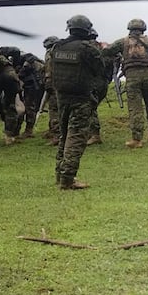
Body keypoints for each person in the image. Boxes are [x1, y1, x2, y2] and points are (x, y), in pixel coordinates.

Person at [50, 15, 105, 190]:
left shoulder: (57, 46)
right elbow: (100, 69)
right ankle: (68, 179)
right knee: (77, 136)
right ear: (87, 30)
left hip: (61, 96)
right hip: (81, 98)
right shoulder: (88, 49)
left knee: (64, 135)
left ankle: (60, 174)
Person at [105, 19, 148, 147]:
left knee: (135, 107)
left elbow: (107, 52)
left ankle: (137, 139)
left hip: (132, 77)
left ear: (129, 29)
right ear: (143, 29)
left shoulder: (122, 42)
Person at [16, 52, 45, 138]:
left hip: (32, 86)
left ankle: (29, 130)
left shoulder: (26, 63)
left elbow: (22, 73)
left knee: (29, 107)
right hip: (32, 86)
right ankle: (23, 130)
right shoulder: (31, 61)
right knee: (28, 107)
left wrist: (19, 75)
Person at [41, 36, 60, 145]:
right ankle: (53, 130)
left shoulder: (50, 54)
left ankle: (57, 135)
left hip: (54, 85)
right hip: (63, 83)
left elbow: (49, 69)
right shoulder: (61, 51)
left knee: (54, 109)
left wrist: (48, 82)